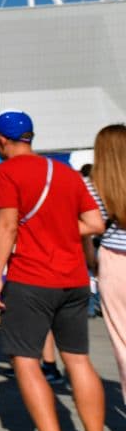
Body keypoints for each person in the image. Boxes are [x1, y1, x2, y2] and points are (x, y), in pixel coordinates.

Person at [0, 110, 106, 431]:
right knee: (78, 360)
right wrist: (58, 231)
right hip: (74, 279)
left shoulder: (7, 171)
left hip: (31, 278)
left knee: (26, 361)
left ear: (2, 140)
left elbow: (7, 226)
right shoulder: (64, 171)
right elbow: (95, 224)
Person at [88, 124, 126, 401]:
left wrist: (92, 264)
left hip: (114, 262)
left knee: (122, 340)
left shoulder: (93, 185)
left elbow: (90, 228)